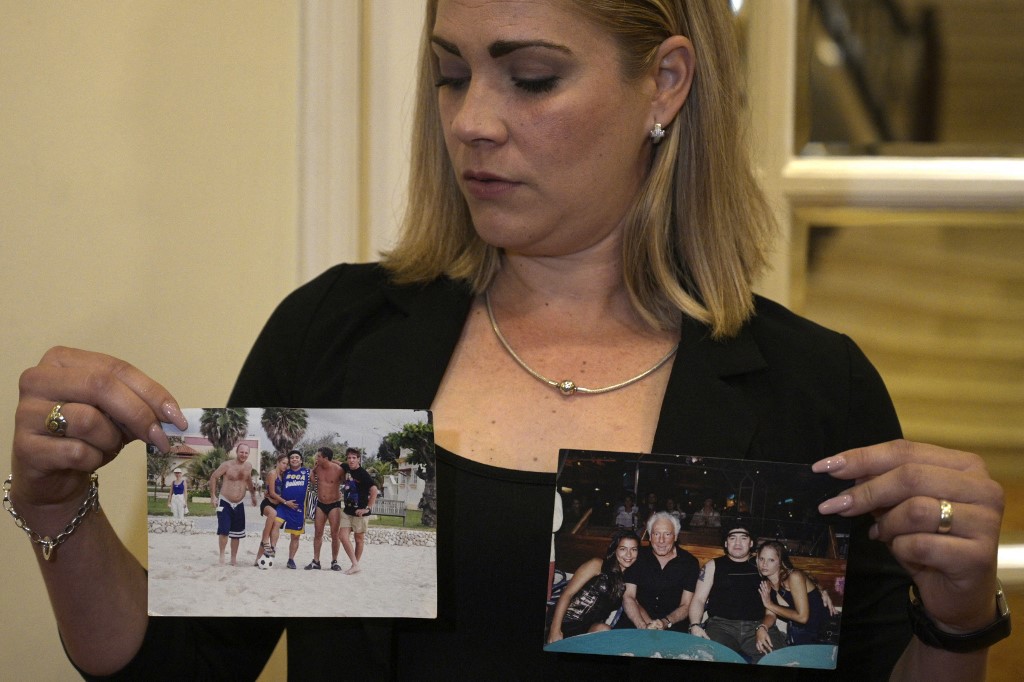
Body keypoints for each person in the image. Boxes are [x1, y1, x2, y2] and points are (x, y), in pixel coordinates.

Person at [8, 1, 1006, 678]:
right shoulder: (344, 337)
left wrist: (956, 614)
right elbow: (179, 667)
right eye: (450, 75)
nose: (472, 121)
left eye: (529, 78)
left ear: (664, 85)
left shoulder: (806, 391)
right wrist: (58, 507)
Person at [688, 520, 786, 662]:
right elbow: (698, 599)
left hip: (757, 625)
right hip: (721, 626)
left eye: (743, 538)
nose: (738, 543)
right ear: (726, 543)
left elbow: (792, 579)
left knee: (779, 660)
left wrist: (820, 591)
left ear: (751, 543)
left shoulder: (763, 565)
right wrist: (695, 625)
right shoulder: (713, 565)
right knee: (705, 658)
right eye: (732, 538)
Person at [547, 530, 639, 643]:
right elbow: (567, 594)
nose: (629, 554)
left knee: (605, 630)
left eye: (633, 549)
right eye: (623, 549)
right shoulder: (597, 564)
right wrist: (555, 630)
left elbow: (633, 602)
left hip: (588, 629)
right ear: (615, 550)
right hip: (565, 622)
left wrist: (647, 624)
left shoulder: (627, 580)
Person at [620, 512, 699, 632]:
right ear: (650, 537)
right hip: (635, 620)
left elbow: (686, 605)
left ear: (676, 536)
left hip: (672, 626)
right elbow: (629, 596)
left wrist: (665, 622)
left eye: (667, 534)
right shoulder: (638, 556)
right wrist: (643, 626)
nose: (661, 540)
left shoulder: (690, 563)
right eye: (656, 534)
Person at [755, 540, 832, 651]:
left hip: (823, 636)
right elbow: (771, 614)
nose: (764, 564)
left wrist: (769, 604)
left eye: (771, 560)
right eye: (762, 559)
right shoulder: (767, 584)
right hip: (798, 635)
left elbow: (802, 617)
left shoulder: (794, 577)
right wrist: (762, 627)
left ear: (780, 562)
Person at [207, 443, 257, 566]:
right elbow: (214, 477)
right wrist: (213, 496)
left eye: (246, 453)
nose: (243, 455)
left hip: (239, 503)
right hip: (225, 501)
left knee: (237, 533)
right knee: (224, 530)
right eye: (241, 452)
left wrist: (253, 495)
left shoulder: (248, 466)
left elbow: (248, 480)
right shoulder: (227, 465)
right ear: (237, 452)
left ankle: (233, 558)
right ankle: (222, 554)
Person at [304, 446, 346, 571]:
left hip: (334, 504)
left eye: (319, 456)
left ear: (326, 458)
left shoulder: (338, 469)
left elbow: (347, 479)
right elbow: (312, 481)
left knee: (334, 534)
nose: (316, 458)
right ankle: (316, 561)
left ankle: (334, 561)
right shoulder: (317, 469)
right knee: (318, 533)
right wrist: (313, 468)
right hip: (320, 504)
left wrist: (336, 462)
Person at [338, 448, 378, 575]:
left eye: (354, 458)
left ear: (359, 459)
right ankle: (355, 564)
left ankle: (354, 564)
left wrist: (367, 508)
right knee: (342, 536)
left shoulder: (363, 474)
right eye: (349, 458)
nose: (351, 460)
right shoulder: (347, 468)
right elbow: (337, 463)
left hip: (360, 512)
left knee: (359, 539)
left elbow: (374, 490)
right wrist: (325, 460)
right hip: (347, 511)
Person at [276, 450, 312, 570]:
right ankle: (271, 550)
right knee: (274, 524)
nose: (294, 459)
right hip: (284, 505)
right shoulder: (284, 472)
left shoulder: (307, 472)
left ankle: (291, 559)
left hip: (298, 509)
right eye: (292, 458)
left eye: (297, 457)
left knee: (295, 537)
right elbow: (274, 481)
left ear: (301, 460)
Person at [254, 453, 288, 567]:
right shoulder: (272, 473)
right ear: (278, 462)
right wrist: (285, 501)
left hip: (278, 505)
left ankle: (258, 559)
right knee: (272, 514)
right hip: (268, 503)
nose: (285, 466)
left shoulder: (284, 476)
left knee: (273, 529)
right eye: (283, 463)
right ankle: (265, 540)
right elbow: (272, 493)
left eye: (287, 464)